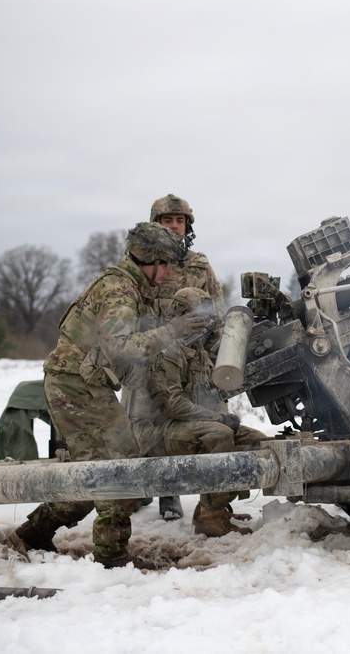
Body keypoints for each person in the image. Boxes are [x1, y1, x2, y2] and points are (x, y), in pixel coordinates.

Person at [8, 222, 211, 569]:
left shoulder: (131, 285)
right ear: (148, 260)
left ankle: (33, 533)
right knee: (119, 466)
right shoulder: (119, 288)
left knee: (96, 470)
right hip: (74, 386)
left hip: (83, 384)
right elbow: (120, 348)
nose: (167, 273)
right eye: (164, 264)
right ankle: (111, 557)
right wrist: (174, 331)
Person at [137, 287, 268, 537]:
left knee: (256, 440)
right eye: (199, 315)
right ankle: (211, 517)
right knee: (219, 436)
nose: (206, 321)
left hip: (191, 425)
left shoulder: (198, 352)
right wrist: (217, 419)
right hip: (162, 431)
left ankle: (214, 505)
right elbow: (172, 404)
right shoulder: (169, 352)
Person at [126, 193, 224, 520]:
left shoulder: (199, 266)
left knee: (203, 423)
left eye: (179, 221)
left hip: (194, 360)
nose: (174, 226)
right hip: (150, 357)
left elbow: (216, 314)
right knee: (147, 427)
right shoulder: (143, 264)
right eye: (167, 221)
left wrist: (218, 358)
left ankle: (208, 503)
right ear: (156, 225)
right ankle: (152, 490)